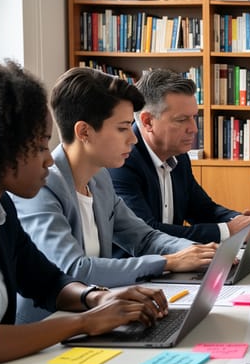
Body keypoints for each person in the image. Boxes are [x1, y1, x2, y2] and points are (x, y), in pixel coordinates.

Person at [0, 59, 168, 364]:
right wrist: (84, 322)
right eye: (40, 145)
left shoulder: (1, 213)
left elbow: (48, 281)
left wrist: (95, 298)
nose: (48, 160)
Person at [12, 67, 217, 323]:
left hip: (99, 317)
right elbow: (74, 269)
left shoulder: (99, 178)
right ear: (84, 132)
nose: (133, 138)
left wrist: (200, 253)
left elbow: (144, 237)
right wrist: (168, 262)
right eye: (122, 128)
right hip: (50, 329)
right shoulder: (41, 187)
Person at [109, 69, 250, 245]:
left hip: (177, 263)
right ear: (148, 121)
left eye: (194, 117)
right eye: (181, 120)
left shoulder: (179, 155)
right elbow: (146, 231)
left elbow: (202, 210)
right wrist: (227, 231)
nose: (194, 128)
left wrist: (243, 221)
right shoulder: (121, 160)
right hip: (140, 269)